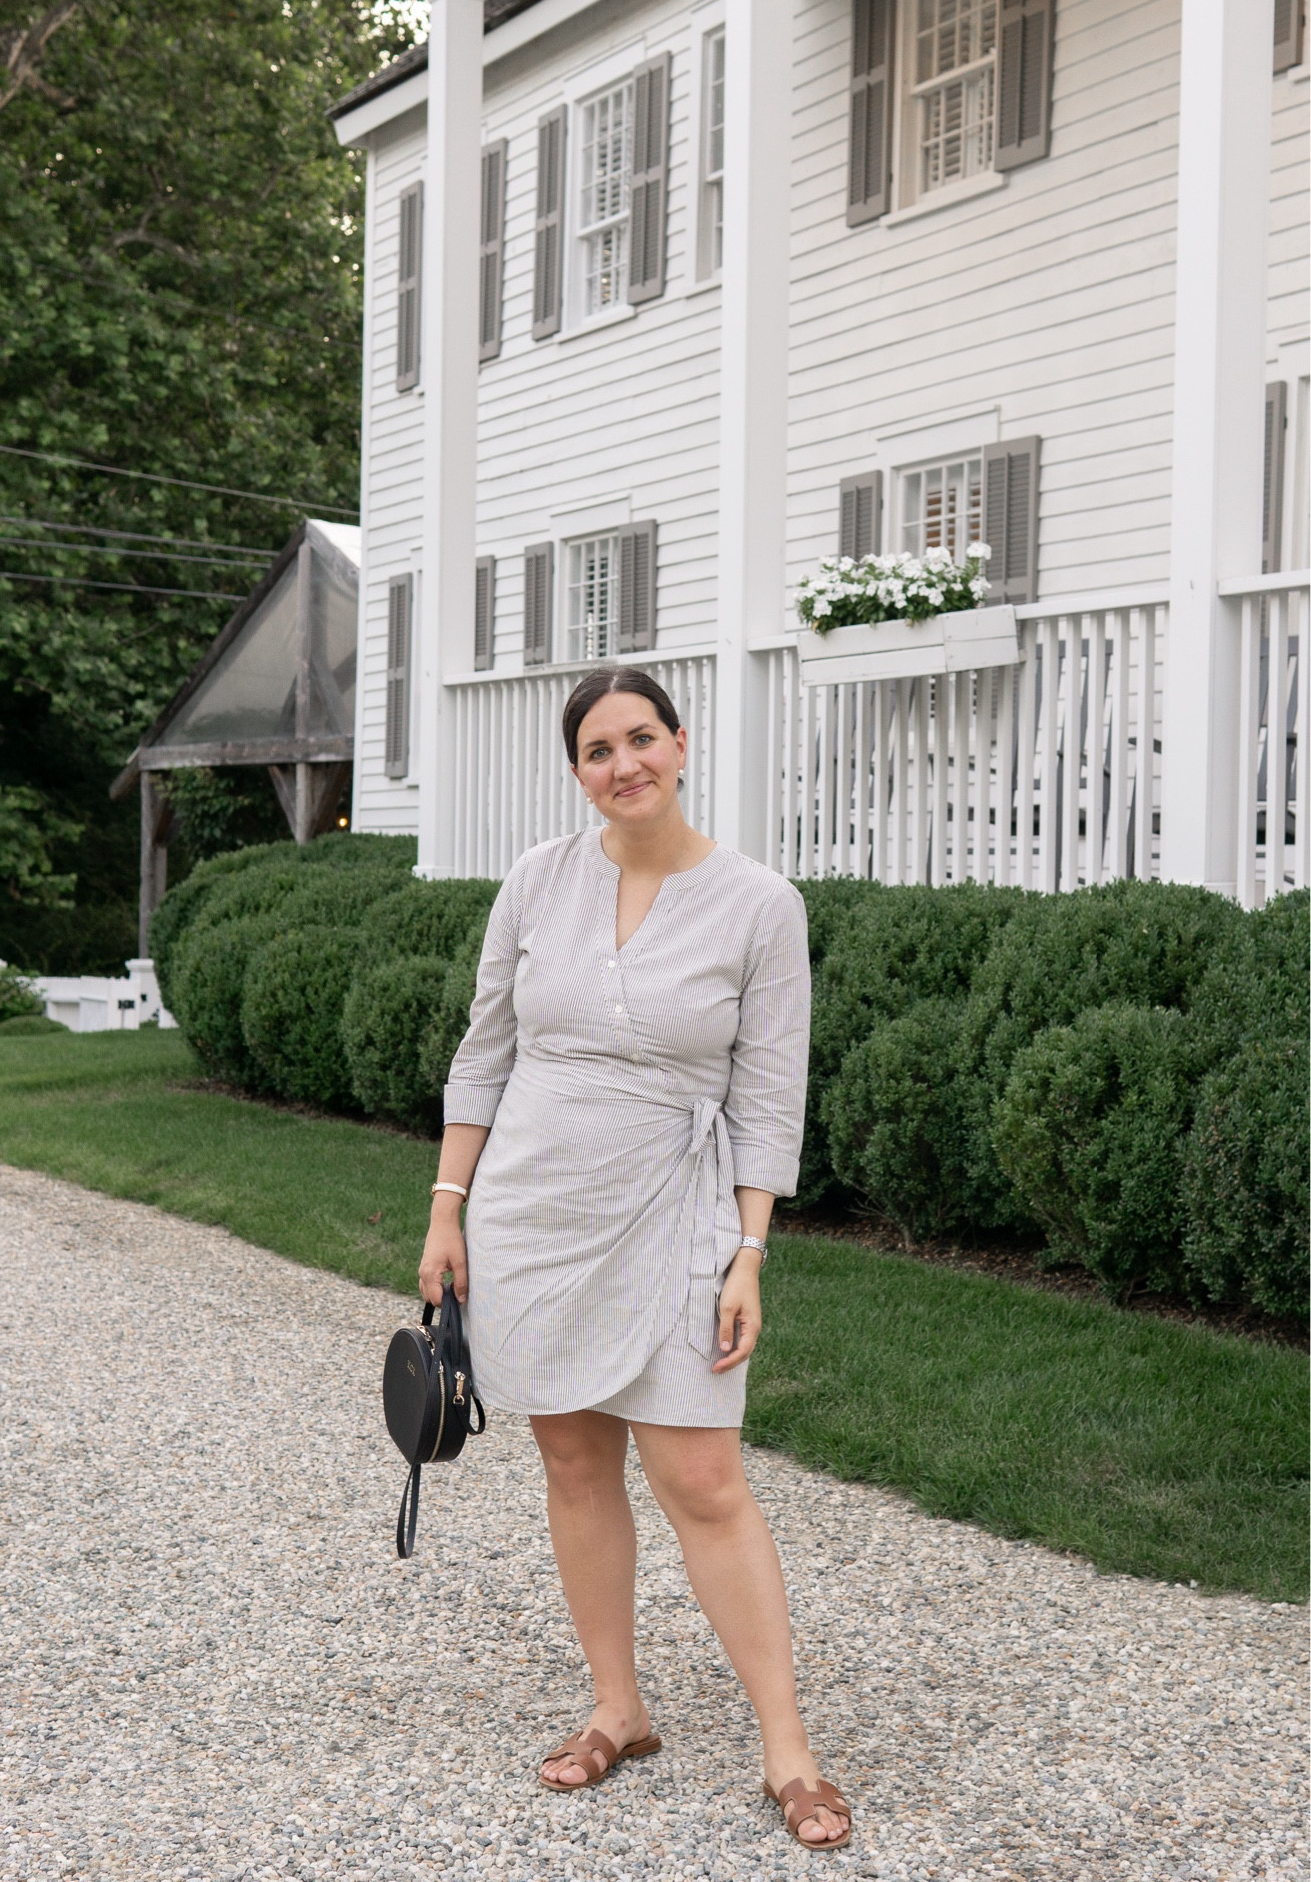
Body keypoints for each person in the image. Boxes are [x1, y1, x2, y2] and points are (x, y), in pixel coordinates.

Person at [418, 667, 851, 1851]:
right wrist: (447, 1209)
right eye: (599, 748)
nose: (624, 764)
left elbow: (770, 1098)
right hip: (532, 1210)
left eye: (641, 738)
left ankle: (788, 1751)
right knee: (569, 1454)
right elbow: (484, 1054)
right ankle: (620, 1705)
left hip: (679, 1208)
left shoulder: (761, 903)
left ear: (679, 743)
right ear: (577, 772)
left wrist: (750, 1250)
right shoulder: (535, 881)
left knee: (703, 1477)